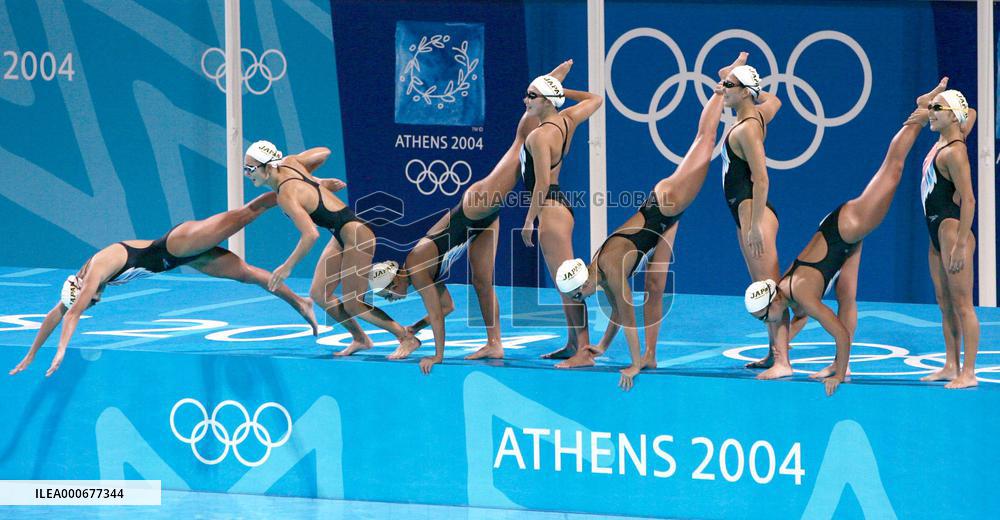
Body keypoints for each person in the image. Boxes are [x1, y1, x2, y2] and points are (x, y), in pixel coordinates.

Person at [743, 79, 950, 396]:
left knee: (892, 168)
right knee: (846, 297)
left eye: (764, 317)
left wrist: (837, 375)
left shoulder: (799, 292)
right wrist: (774, 358)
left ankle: (920, 113)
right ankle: (843, 365)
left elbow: (838, 333)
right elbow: (790, 321)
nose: (768, 323)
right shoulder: (786, 295)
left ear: (773, 303)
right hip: (838, 239)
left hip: (849, 224)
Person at [549, 53, 741, 390]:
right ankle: (650, 354)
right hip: (661, 224)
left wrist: (632, 366)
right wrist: (604, 346)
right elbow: (616, 310)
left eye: (579, 294)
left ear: (583, 283)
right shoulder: (600, 273)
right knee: (655, 287)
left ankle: (723, 85)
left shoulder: (607, 267)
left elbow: (626, 314)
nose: (582, 297)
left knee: (705, 142)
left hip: (666, 203)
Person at [371, 61, 576, 374]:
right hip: (479, 222)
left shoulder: (415, 266)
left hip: (476, 205)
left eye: (389, 293)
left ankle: (550, 83)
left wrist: (436, 356)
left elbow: (438, 317)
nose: (392, 298)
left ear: (396, 280)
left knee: (520, 143)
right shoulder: (416, 274)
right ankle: (494, 342)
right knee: (482, 280)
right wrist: (416, 325)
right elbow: (447, 307)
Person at [9, 192, 318, 377]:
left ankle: (292, 189)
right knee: (250, 275)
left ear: (82, 290)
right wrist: (32, 353)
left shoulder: (95, 272)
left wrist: (61, 350)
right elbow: (57, 314)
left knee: (243, 216)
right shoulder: (80, 285)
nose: (95, 300)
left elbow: (72, 314)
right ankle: (301, 303)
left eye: (91, 300)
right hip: (185, 260)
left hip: (178, 245)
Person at [243, 141, 419, 356]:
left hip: (356, 235)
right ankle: (360, 339)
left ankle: (406, 337)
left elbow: (311, 234)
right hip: (342, 233)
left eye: (250, 169)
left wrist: (287, 267)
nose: (246, 174)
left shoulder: (286, 195)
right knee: (319, 293)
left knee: (354, 304)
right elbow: (324, 152)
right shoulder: (291, 162)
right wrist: (316, 180)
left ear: (268, 167)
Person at [518, 66, 603, 361]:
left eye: (532, 96)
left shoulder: (539, 137)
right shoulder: (567, 120)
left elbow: (541, 183)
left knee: (569, 284)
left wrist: (529, 221)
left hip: (550, 210)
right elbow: (595, 99)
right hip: (560, 206)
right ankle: (573, 344)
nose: (526, 100)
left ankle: (583, 349)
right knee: (565, 283)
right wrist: (560, 89)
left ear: (546, 101)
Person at [719, 62, 785, 369]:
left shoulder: (747, 129)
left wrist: (756, 222)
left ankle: (782, 361)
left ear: (745, 93)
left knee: (770, 291)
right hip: (744, 214)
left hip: (753, 213)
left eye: (730, 87)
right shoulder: (758, 113)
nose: (722, 89)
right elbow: (775, 101)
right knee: (763, 288)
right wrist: (736, 75)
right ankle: (773, 353)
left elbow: (762, 178)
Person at [917, 88, 979, 389]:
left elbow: (969, 199)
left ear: (953, 115)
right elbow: (970, 114)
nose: (930, 111)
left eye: (936, 108)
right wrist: (937, 95)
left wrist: (961, 243)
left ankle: (968, 372)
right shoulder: (952, 134)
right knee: (944, 302)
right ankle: (950, 364)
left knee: (963, 304)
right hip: (936, 232)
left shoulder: (956, 150)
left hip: (953, 231)